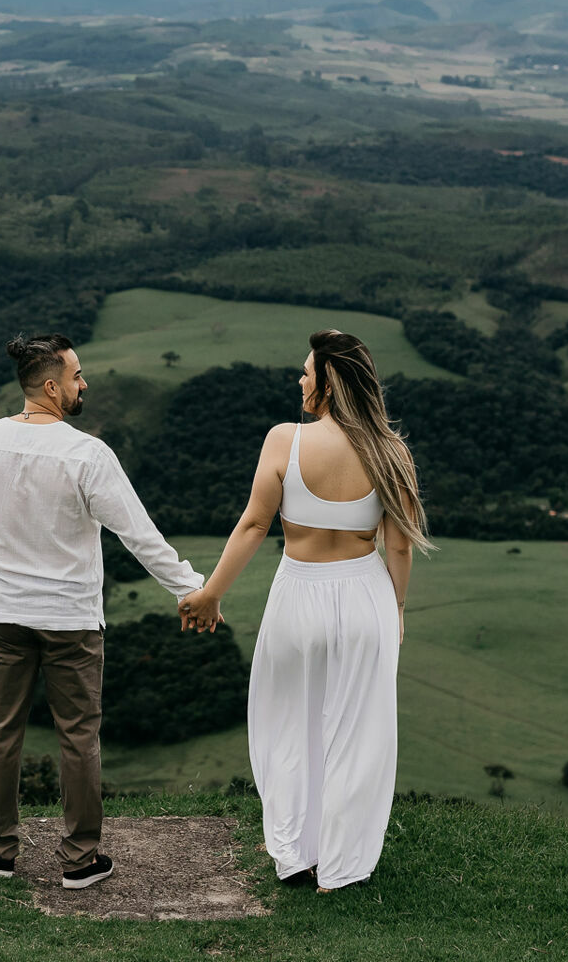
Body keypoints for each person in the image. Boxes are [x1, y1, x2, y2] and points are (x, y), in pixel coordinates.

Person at [0, 333, 209, 890]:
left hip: (5, 615)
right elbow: (140, 534)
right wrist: (191, 588)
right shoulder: (87, 454)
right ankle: (80, 860)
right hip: (71, 621)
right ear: (51, 385)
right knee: (79, 737)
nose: (85, 384)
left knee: (0, 732)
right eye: (78, 376)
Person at [179, 328, 431, 892]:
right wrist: (398, 607)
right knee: (358, 734)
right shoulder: (392, 451)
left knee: (287, 722)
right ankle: (343, 869)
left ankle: (294, 854)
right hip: (366, 597)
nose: (299, 379)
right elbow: (398, 545)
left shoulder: (284, 440)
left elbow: (252, 525)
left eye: (307, 372)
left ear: (329, 381)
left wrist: (211, 592)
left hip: (298, 595)